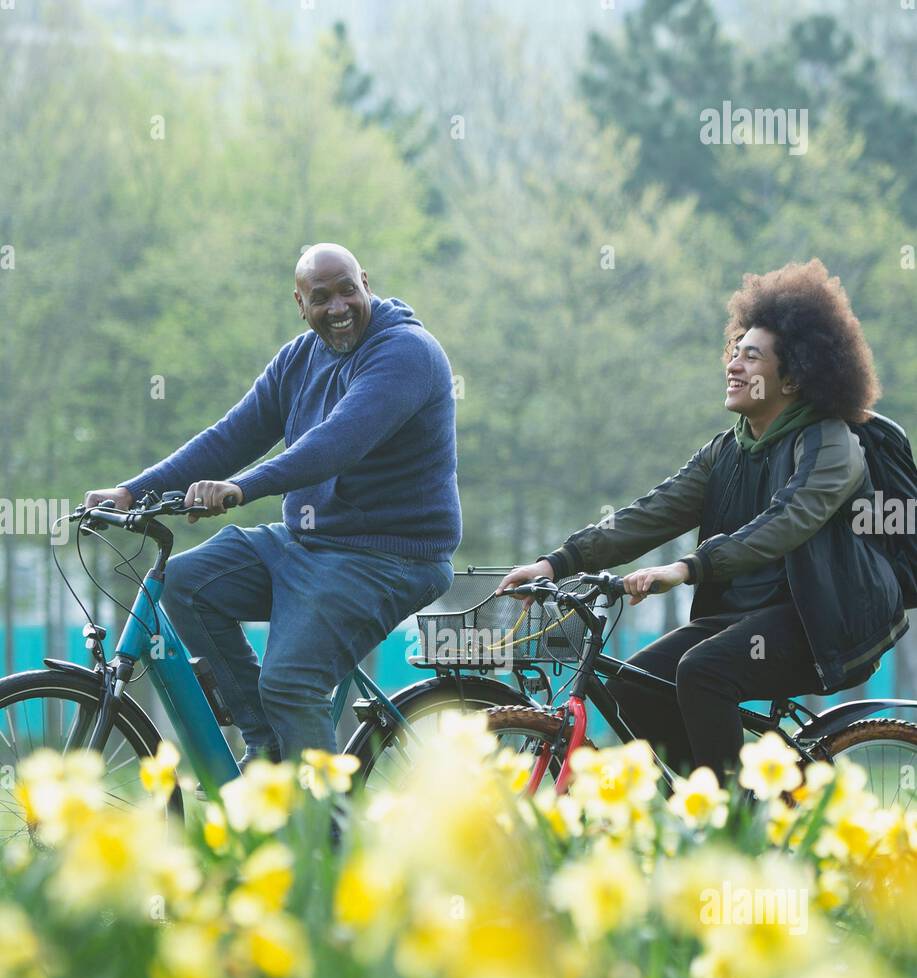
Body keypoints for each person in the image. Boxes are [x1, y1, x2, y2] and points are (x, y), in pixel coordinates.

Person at [498, 259, 907, 782]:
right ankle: (701, 796)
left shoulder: (831, 443)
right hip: (741, 619)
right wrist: (556, 562)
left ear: (795, 375)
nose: (733, 366)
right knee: (634, 683)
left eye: (751, 357)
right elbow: (651, 514)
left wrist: (687, 568)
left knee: (704, 671)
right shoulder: (726, 451)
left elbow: (785, 522)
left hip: (823, 622)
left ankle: (730, 828)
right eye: (732, 353)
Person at [85, 243, 461, 763]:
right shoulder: (298, 360)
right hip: (309, 542)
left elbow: (335, 444)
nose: (338, 307)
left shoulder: (405, 353)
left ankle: (321, 833)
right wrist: (132, 491)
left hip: (388, 557)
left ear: (366, 284)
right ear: (300, 304)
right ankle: (270, 748)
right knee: (187, 583)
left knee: (290, 681)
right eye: (321, 296)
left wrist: (241, 488)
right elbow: (230, 438)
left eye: (348, 289)